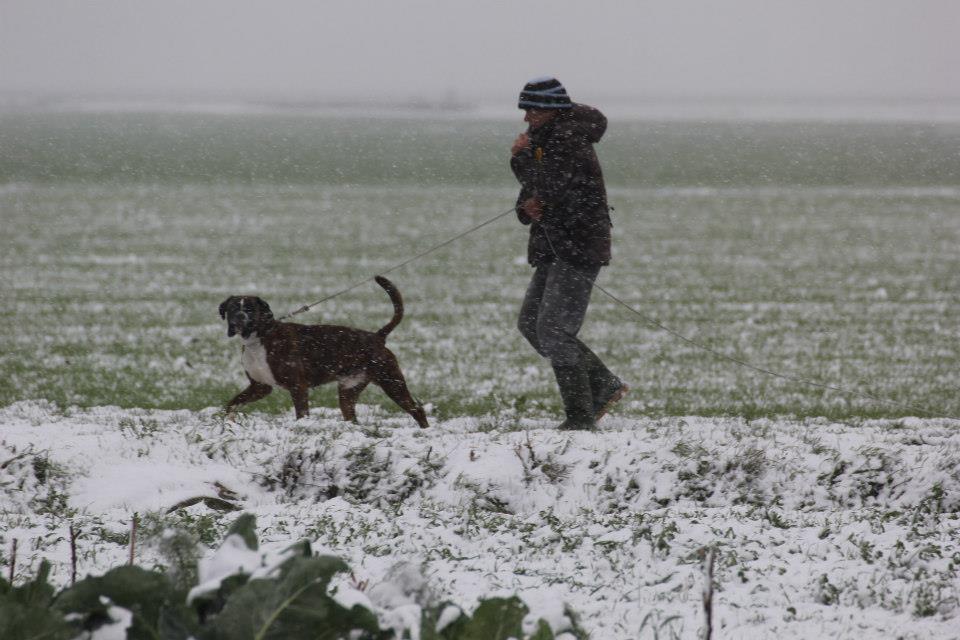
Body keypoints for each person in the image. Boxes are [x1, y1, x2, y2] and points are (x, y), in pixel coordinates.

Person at [510, 76, 627, 431]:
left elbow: (548, 187)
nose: (526, 117)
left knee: (554, 330)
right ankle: (603, 384)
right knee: (532, 324)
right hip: (552, 246)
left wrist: (521, 157)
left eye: (532, 109)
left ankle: (580, 417)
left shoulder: (568, 139)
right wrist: (526, 204)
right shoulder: (547, 139)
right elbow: (535, 191)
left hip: (577, 246)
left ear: (552, 108)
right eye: (525, 110)